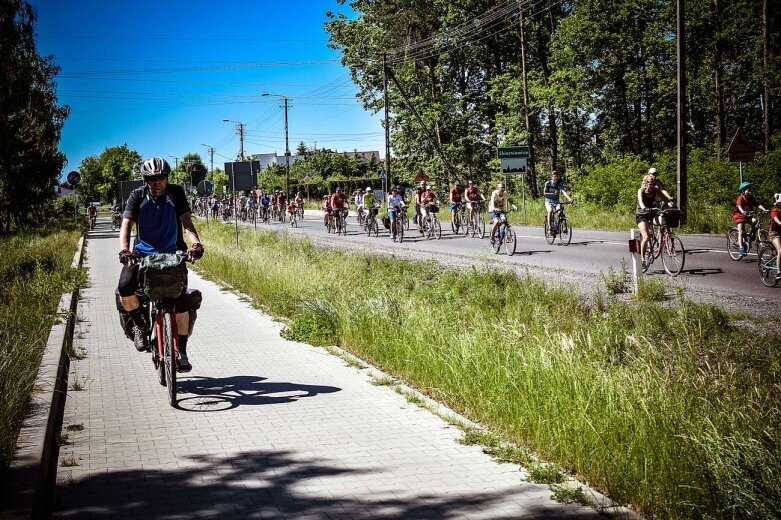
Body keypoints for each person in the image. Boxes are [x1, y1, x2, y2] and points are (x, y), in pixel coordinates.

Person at [117, 157, 204, 372]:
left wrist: (196, 244)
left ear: (167, 178)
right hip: (142, 255)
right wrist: (125, 250)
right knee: (125, 286)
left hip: (172, 255)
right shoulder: (137, 196)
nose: (157, 182)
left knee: (181, 301)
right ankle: (139, 325)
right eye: (152, 178)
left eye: (161, 177)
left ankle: (182, 351)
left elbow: (187, 223)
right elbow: (126, 224)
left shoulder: (176, 193)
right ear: (146, 180)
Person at [636, 174, 673, 268]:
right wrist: (644, 207)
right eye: (650, 184)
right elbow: (640, 201)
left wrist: (671, 204)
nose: (652, 186)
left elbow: (664, 199)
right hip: (642, 215)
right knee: (646, 237)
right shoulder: (641, 191)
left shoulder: (655, 190)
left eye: (653, 184)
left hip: (652, 213)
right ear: (646, 184)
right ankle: (642, 259)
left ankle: (663, 237)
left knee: (664, 220)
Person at [733, 181, 769, 258]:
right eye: (747, 190)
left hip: (748, 215)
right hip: (739, 216)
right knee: (741, 232)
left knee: (755, 221)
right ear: (743, 191)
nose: (749, 192)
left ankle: (751, 235)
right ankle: (741, 249)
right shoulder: (741, 198)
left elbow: (757, 204)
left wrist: (764, 209)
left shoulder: (751, 198)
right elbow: (739, 205)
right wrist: (742, 211)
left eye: (750, 190)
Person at [769, 193, 781, 279]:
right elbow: (775, 218)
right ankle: (778, 272)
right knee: (780, 250)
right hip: (774, 233)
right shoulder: (774, 210)